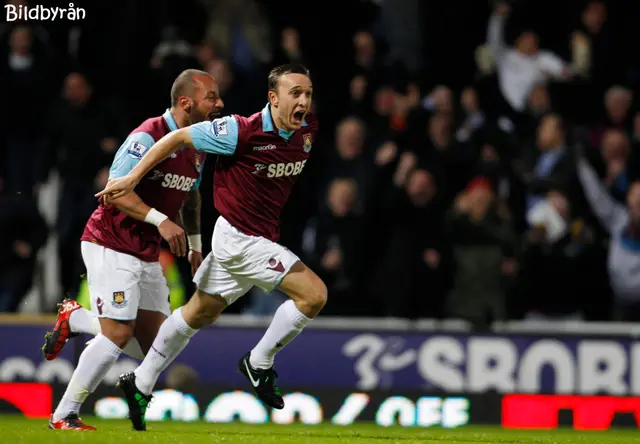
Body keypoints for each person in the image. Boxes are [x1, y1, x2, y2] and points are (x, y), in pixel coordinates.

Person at [97, 63, 327, 431]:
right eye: (295, 93)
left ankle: (140, 383)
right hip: (240, 239)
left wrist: (196, 244)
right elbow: (176, 138)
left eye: (308, 93)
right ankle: (259, 362)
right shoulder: (239, 130)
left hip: (252, 237)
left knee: (197, 314)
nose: (304, 101)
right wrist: (133, 177)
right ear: (273, 97)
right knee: (314, 295)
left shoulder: (307, 130)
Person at [44, 69, 224, 431]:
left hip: (145, 250)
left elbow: (191, 195)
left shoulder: (198, 144)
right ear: (186, 102)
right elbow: (114, 189)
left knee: (155, 347)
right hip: (109, 240)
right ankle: (64, 415)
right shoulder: (148, 135)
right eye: (212, 97)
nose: (219, 104)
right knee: (117, 334)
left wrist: (194, 244)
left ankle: (75, 319)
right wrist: (161, 220)